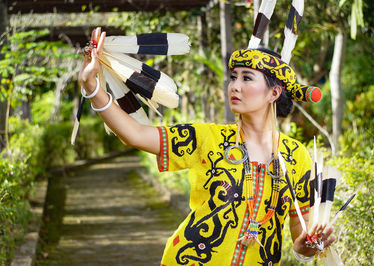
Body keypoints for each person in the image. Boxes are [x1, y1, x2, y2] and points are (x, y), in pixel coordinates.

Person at [78, 27, 335, 265]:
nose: (234, 85)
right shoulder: (207, 138)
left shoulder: (296, 157)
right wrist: (92, 86)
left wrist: (309, 245)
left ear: (274, 93)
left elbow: (300, 236)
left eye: (247, 78)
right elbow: (134, 134)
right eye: (233, 77)